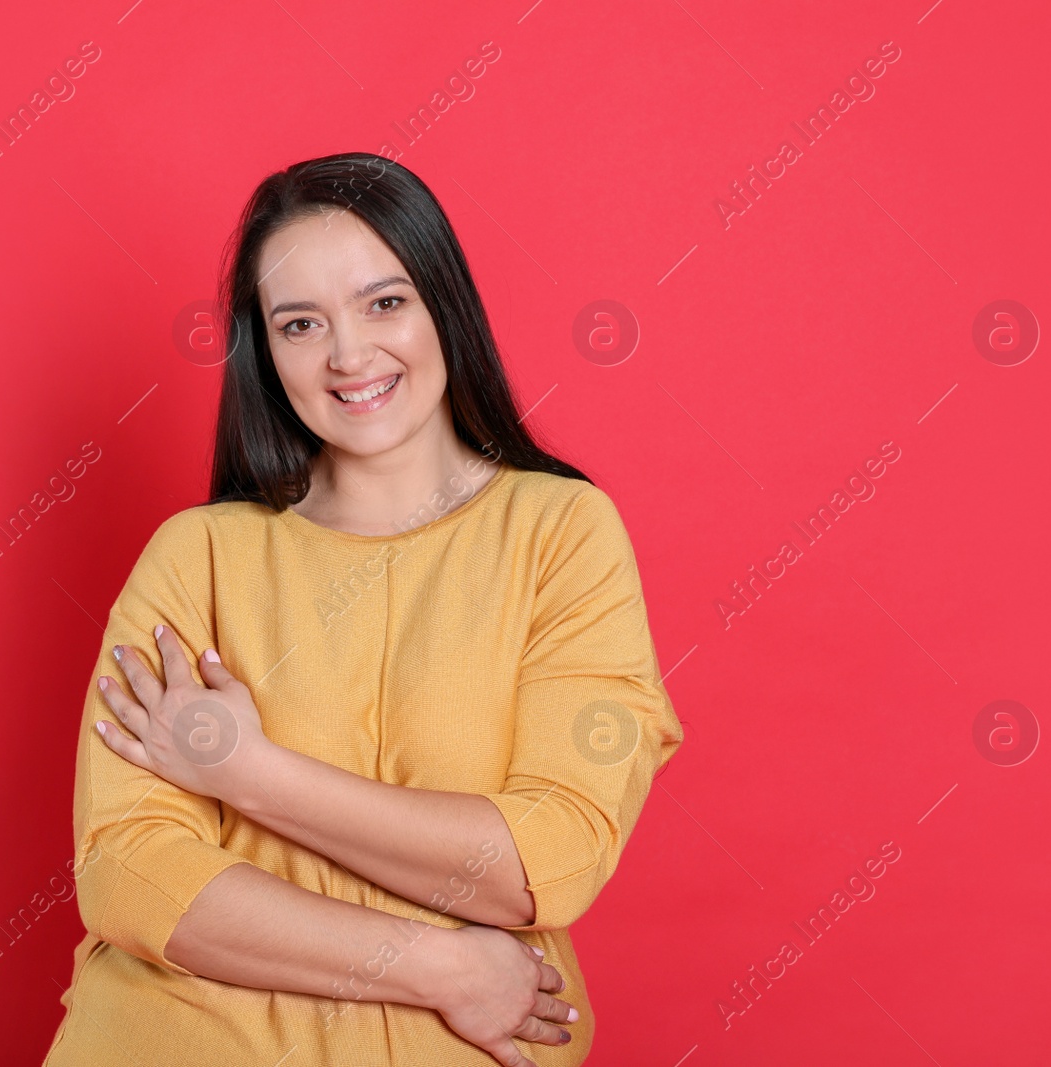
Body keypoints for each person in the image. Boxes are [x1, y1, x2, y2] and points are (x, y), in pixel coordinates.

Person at [40, 151, 683, 1067]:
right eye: (301, 323)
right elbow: (132, 877)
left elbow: (548, 857)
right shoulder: (200, 556)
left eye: (385, 302)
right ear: (265, 350)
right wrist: (442, 967)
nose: (348, 355)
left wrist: (249, 772)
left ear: (442, 307)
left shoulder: (561, 534)